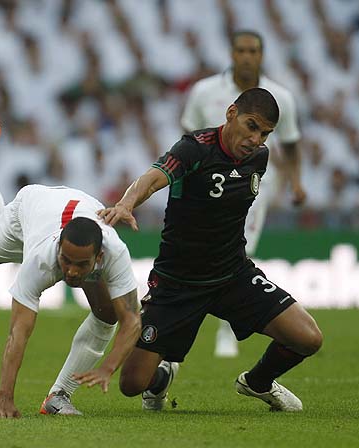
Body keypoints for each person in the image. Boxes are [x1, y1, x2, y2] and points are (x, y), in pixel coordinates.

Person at [100, 88, 322, 412]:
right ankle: (163, 376)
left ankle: (258, 383)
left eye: (265, 133)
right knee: (132, 384)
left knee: (308, 338)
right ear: (231, 113)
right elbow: (154, 176)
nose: (256, 139)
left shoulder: (260, 157)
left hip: (232, 276)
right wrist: (125, 204)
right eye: (251, 126)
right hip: (177, 283)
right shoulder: (194, 149)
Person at [0, 118, 141, 418]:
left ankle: (58, 396)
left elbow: (131, 321)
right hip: (31, 207)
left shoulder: (115, 251)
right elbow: (19, 331)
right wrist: (5, 397)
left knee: (107, 313)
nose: (72, 272)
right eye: (66, 262)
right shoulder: (41, 260)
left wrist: (108, 368)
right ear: (59, 251)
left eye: (82, 264)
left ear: (99, 256)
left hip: (79, 206)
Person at [180, 30, 306, 358]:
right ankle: (184, 318)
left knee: (240, 247)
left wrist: (295, 182)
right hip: (203, 186)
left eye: (253, 50)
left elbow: (290, 144)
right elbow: (187, 137)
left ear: (262, 55)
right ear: (232, 54)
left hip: (251, 184)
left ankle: (227, 328)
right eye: (241, 50)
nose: (247, 56)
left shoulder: (280, 97)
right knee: (196, 249)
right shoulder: (204, 91)